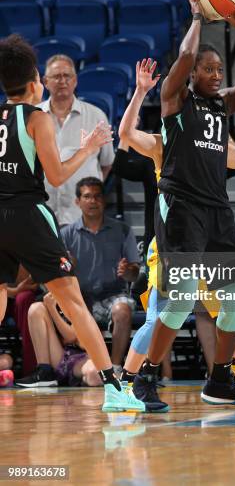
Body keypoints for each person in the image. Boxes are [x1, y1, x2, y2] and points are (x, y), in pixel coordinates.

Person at [122, 0, 235, 410]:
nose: (214, 74)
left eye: (218, 69)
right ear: (192, 75)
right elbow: (185, 60)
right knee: (177, 304)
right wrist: (197, 17)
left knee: (234, 301)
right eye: (207, 69)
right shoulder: (175, 102)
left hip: (216, 212)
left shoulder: (223, 106)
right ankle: (145, 378)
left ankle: (221, 379)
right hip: (180, 209)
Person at [0, 34, 144, 412]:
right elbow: (58, 175)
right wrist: (90, 146)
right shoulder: (37, 118)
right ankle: (114, 388)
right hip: (28, 216)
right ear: (35, 83)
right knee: (74, 302)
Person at [61, 177, 140, 377]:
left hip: (113, 294)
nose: (93, 201)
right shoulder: (67, 234)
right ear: (77, 202)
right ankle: (89, 368)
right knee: (71, 307)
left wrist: (128, 271)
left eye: (97, 196)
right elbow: (59, 272)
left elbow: (135, 273)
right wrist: (69, 267)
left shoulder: (122, 230)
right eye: (87, 196)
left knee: (123, 309)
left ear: (103, 200)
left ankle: (113, 369)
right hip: (81, 297)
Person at [37, 54, 115, 226]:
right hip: (42, 213)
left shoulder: (96, 116)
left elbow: (107, 163)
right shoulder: (33, 116)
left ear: (76, 80)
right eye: (56, 76)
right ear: (45, 81)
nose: (62, 81)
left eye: (67, 76)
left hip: (81, 217)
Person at [15, 292, 101, 388]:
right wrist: (51, 306)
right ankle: (44, 372)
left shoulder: (80, 297)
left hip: (81, 356)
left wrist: (52, 309)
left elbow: (71, 337)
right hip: (60, 358)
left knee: (94, 375)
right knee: (36, 308)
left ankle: (81, 381)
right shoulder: (45, 299)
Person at [5, 265, 38, 375]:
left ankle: (31, 370)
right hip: (5, 294)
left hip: (19, 297)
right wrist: (15, 290)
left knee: (25, 298)